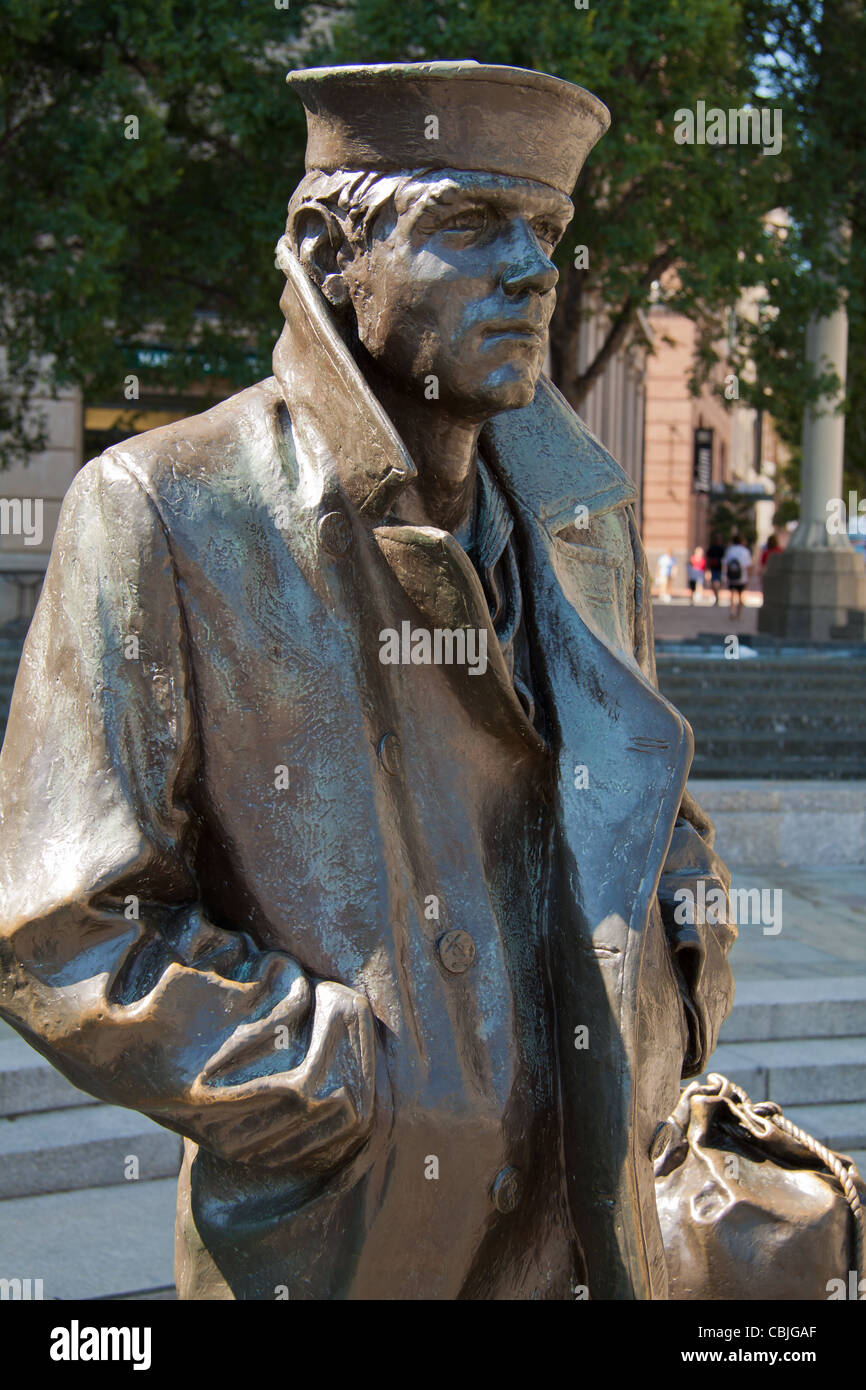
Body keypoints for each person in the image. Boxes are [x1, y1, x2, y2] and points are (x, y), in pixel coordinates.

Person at [0, 62, 734, 1302]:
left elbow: (653, 805)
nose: (531, 268)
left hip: (587, 1234)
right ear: (324, 249)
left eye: (544, 231)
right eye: (466, 224)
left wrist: (682, 964)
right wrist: (358, 1086)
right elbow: (64, 919)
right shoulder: (167, 508)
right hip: (346, 1241)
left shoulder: (583, 522)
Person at [723, 531, 753, 619]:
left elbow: (725, 564)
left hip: (731, 576)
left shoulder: (730, 550)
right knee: (741, 596)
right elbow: (748, 566)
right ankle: (738, 614)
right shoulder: (745, 551)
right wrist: (749, 577)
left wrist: (725, 576)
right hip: (742, 577)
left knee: (732, 594)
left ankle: (732, 612)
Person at [706, 534, 725, 605]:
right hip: (714, 568)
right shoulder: (713, 548)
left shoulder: (721, 548)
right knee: (715, 582)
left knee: (717, 582)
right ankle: (716, 595)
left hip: (718, 568)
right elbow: (708, 558)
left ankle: (717, 595)